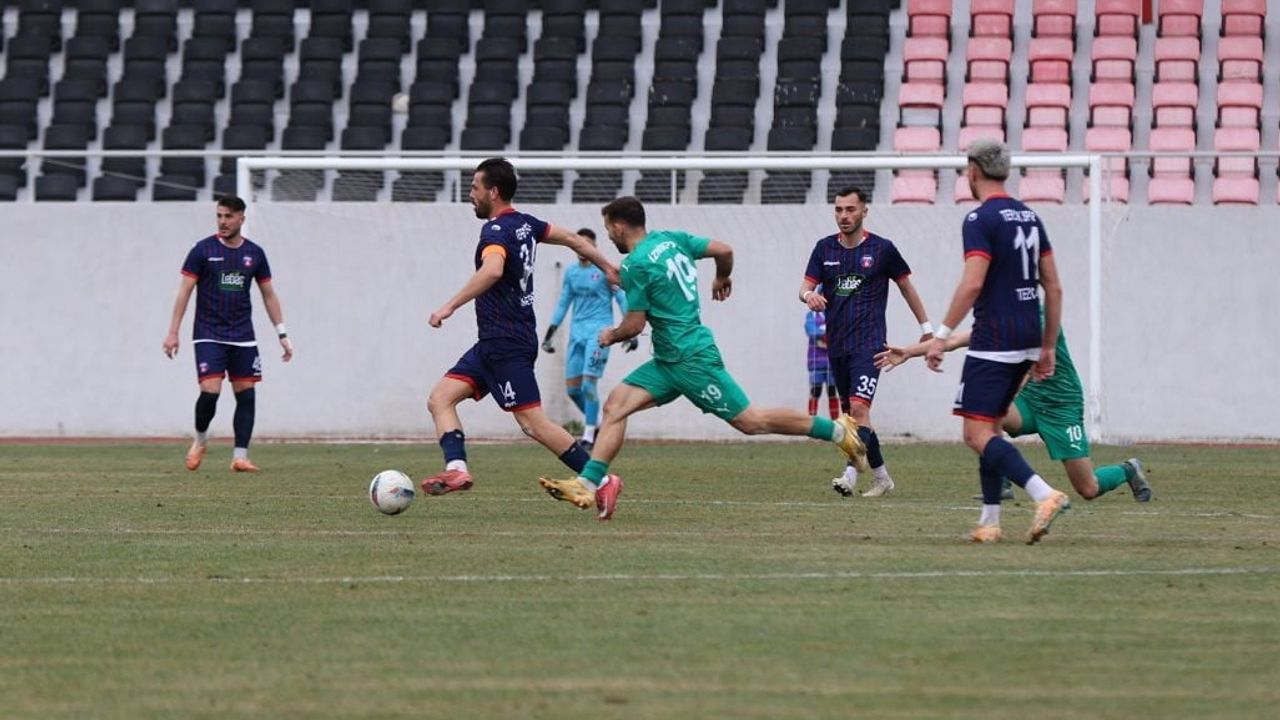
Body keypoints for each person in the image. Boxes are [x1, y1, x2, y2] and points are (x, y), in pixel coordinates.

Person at [538, 196, 870, 521]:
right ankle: (589, 483)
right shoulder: (671, 239)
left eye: (609, 229)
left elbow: (635, 324)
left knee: (751, 421)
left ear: (620, 226)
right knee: (615, 406)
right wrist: (722, 276)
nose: (609, 235)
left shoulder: (636, 263)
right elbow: (724, 250)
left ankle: (838, 431)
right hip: (669, 360)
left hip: (691, 359)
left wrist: (610, 335)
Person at [421, 158, 620, 496]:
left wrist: (449, 306)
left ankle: (601, 480)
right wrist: (609, 267)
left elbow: (493, 269)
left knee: (533, 423)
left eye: (475, 188)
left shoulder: (496, 231)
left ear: (493, 192)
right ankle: (456, 470)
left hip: (507, 342)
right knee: (440, 398)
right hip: (493, 343)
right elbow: (573, 238)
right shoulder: (526, 224)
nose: (471, 194)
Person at [926, 139, 1072, 545]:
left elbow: (973, 283)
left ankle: (1045, 494)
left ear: (973, 170)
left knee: (975, 434)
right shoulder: (1030, 216)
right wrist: (1046, 347)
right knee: (990, 426)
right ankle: (989, 522)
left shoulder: (980, 219)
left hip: (995, 336)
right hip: (1028, 333)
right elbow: (1054, 287)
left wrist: (940, 336)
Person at [874, 320, 1152, 504]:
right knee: (985, 418)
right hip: (1032, 400)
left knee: (1088, 488)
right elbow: (958, 339)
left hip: (1062, 406)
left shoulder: (1039, 318)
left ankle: (1128, 469)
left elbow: (1028, 368)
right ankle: (1003, 482)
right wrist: (909, 352)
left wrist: (1006, 395)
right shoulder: (1003, 314)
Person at [798, 186, 933, 499]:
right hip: (838, 346)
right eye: (839, 210)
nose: (844, 216)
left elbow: (906, 288)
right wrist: (810, 295)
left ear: (864, 211)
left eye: (850, 209)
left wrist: (927, 328)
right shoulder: (824, 250)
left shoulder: (883, 249)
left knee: (858, 409)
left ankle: (849, 474)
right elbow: (803, 288)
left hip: (870, 345)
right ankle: (883, 478)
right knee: (856, 417)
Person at [163, 195, 293, 472]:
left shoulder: (255, 254)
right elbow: (184, 292)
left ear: (241, 219)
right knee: (210, 392)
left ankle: (240, 457)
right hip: (208, 333)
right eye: (219, 216)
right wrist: (173, 332)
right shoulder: (203, 250)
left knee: (246, 394)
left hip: (243, 335)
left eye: (228, 216)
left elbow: (269, 295)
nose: (222, 221)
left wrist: (282, 334)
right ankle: (200, 440)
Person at [541, 227, 638, 449]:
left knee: (588, 385)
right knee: (573, 390)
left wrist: (628, 329)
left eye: (587, 244)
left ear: (593, 247)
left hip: (599, 335)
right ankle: (602, 425)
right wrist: (550, 334)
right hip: (577, 335)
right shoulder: (572, 272)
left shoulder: (605, 271)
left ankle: (588, 437)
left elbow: (621, 298)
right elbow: (564, 303)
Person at [804, 303, 841, 420]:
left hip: (832, 362)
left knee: (832, 391)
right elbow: (811, 331)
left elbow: (840, 331)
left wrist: (824, 335)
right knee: (815, 391)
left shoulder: (835, 314)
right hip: (816, 361)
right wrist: (827, 334)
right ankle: (811, 423)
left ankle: (835, 423)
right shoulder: (812, 315)